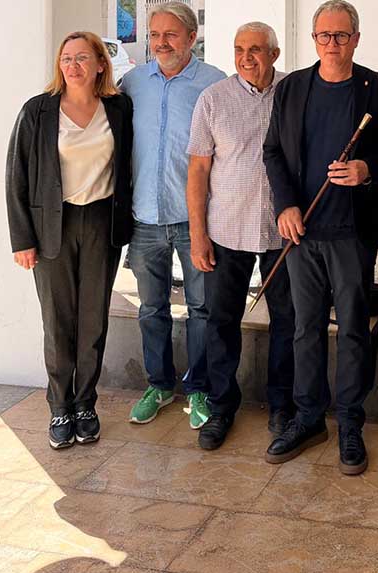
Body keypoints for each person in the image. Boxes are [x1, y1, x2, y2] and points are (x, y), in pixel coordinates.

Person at [262, 0, 378, 475]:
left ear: (356, 39)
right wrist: (285, 205)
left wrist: (367, 169)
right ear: (314, 39)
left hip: (352, 233)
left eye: (341, 36)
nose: (332, 44)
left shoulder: (377, 88)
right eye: (324, 35)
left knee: (354, 328)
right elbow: (273, 151)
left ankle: (351, 422)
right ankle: (309, 417)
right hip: (302, 232)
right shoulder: (292, 87)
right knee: (305, 327)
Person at [6, 31, 133, 449]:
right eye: (66, 59)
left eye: (81, 58)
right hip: (51, 227)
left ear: (100, 64)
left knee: (93, 320)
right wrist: (22, 239)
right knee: (58, 321)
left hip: (101, 222)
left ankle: (85, 405)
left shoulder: (118, 107)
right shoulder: (38, 110)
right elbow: (16, 176)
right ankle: (59, 406)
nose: (72, 66)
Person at [186, 22, 295, 450]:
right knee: (221, 322)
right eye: (239, 50)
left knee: (288, 322)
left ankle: (282, 406)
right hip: (226, 231)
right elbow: (198, 169)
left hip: (283, 232)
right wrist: (198, 235)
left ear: (274, 53)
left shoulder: (293, 92)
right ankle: (221, 407)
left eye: (255, 50)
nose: (246, 58)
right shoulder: (213, 99)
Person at [119, 2, 226, 431]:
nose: (160, 43)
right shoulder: (132, 84)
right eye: (154, 34)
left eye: (170, 34)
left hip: (194, 219)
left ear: (192, 38)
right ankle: (159, 385)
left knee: (202, 308)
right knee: (151, 308)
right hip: (144, 217)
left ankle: (198, 388)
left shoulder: (214, 83)